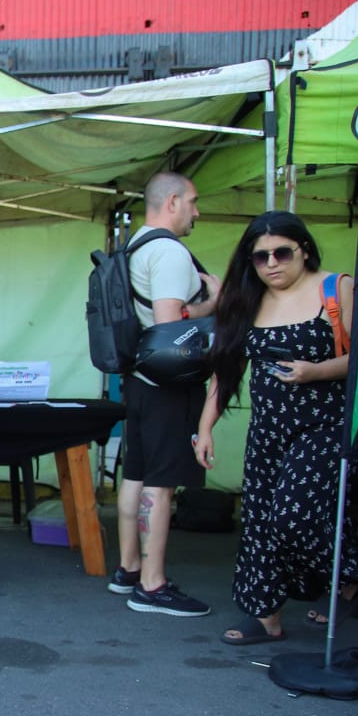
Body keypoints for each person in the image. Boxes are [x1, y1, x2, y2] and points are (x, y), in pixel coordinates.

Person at [195, 210, 358, 644]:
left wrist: (316, 371)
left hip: (325, 427)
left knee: (292, 515)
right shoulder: (247, 299)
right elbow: (224, 371)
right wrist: (205, 427)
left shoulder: (335, 288)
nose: (271, 264)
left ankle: (355, 575)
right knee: (261, 520)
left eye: (281, 252)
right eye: (260, 257)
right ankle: (266, 616)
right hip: (267, 430)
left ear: (303, 249)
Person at [110, 172, 221, 617]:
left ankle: (129, 569)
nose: (196, 211)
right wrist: (217, 298)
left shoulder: (133, 247)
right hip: (169, 385)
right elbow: (173, 322)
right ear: (172, 201)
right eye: (192, 202)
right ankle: (153, 586)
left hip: (139, 379)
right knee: (161, 481)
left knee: (136, 472)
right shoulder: (170, 252)